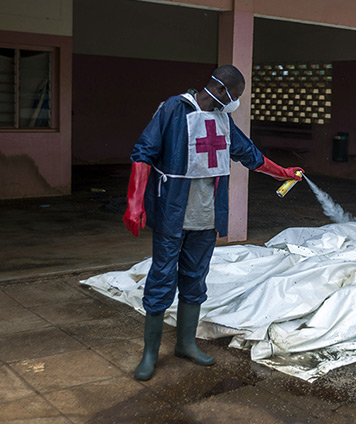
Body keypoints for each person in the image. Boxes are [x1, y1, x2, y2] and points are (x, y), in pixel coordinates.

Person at [123, 65, 303, 381]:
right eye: (235, 96)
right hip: (172, 215)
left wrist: (283, 172)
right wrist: (135, 203)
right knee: (161, 279)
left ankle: (186, 344)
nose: (235, 102)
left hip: (206, 218)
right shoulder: (173, 109)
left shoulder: (223, 120)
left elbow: (249, 154)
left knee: (195, 279)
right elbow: (143, 153)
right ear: (220, 89)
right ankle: (149, 355)